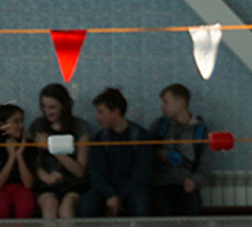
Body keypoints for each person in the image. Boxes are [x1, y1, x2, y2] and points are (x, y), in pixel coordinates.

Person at [78, 88, 154, 218]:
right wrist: (110, 194)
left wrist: (120, 195)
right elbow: (96, 173)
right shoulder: (99, 139)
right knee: (87, 204)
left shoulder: (140, 136)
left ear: (115, 112)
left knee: (141, 204)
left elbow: (143, 173)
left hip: (132, 189)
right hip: (105, 190)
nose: (97, 117)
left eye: (101, 112)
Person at [30, 82, 90, 220]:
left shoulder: (80, 128)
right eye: (43, 107)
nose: (47, 112)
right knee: (50, 206)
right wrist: (46, 177)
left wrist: (51, 147)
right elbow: (34, 163)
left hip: (73, 183)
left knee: (66, 209)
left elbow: (80, 171)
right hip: (47, 182)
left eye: (52, 107)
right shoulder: (38, 126)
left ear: (64, 106)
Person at [152, 83, 208, 217]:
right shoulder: (160, 126)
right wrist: (160, 155)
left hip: (185, 183)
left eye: (166, 102)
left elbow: (204, 165)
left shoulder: (200, 131)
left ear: (180, 103)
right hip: (161, 183)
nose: (162, 107)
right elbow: (145, 154)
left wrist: (194, 181)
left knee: (191, 207)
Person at [0, 104, 37, 219]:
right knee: (0, 207)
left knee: (26, 205)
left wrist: (19, 155)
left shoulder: (29, 145)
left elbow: (28, 184)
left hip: (21, 188)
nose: (21, 126)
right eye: (16, 122)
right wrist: (11, 157)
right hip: (1, 189)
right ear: (2, 125)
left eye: (22, 121)